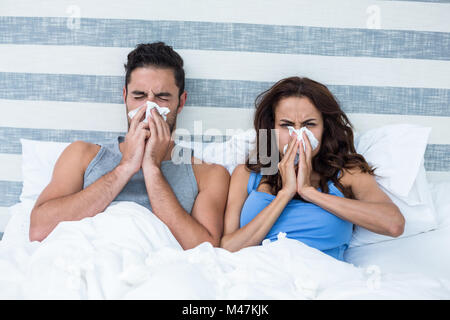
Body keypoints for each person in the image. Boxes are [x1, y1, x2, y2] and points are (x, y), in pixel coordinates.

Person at [29, 42, 230, 249]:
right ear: (125, 96)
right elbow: (38, 230)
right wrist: (125, 167)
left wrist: (152, 168)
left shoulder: (207, 174)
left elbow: (205, 251)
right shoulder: (81, 155)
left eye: (162, 97)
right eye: (139, 96)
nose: (149, 107)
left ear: (181, 102)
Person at [220, 76, 405, 261]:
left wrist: (309, 192)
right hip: (260, 275)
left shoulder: (348, 173)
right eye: (286, 125)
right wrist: (285, 194)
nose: (298, 136)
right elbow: (228, 249)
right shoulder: (248, 174)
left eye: (309, 124)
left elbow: (394, 224)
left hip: (322, 277)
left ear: (325, 128)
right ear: (272, 129)